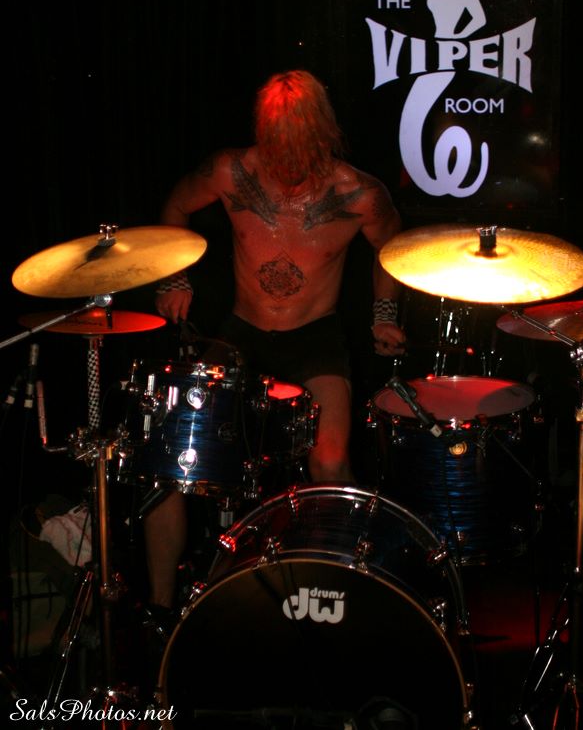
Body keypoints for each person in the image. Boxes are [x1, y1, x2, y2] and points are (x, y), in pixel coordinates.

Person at [143, 69, 406, 612]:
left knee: (330, 461)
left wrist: (383, 315)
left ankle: (341, 595)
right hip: (240, 336)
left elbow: (392, 250)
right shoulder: (231, 171)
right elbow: (175, 206)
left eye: (297, 150)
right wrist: (173, 279)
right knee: (171, 463)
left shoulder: (359, 193)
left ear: (322, 135)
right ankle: (161, 612)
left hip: (316, 338)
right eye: (276, 149)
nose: (285, 165)